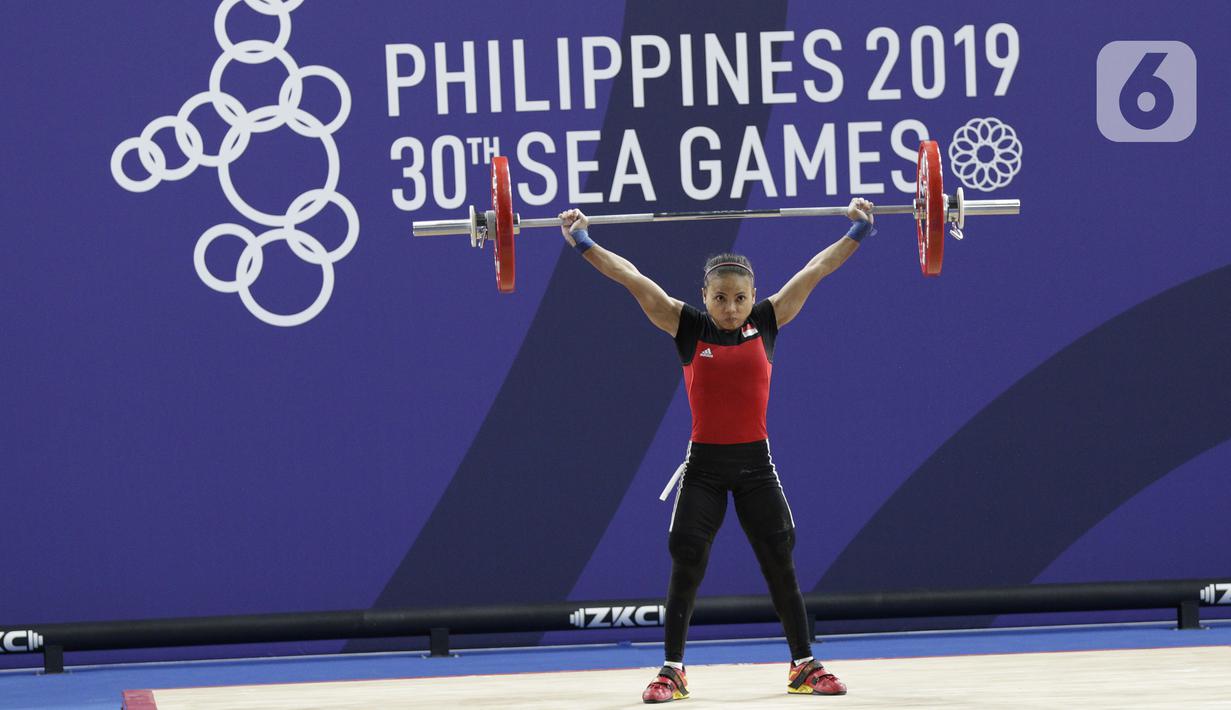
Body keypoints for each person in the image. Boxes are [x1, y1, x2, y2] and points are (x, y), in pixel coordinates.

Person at [557, 199, 876, 702]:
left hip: (756, 467)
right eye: (721, 298)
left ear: (754, 296)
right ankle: (672, 670)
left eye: (740, 298)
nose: (731, 308)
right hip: (704, 468)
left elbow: (818, 268)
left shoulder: (769, 319)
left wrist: (858, 231)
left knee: (779, 558)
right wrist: (583, 240)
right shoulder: (687, 326)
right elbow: (631, 277)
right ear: (704, 296)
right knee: (686, 557)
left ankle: (803, 665)